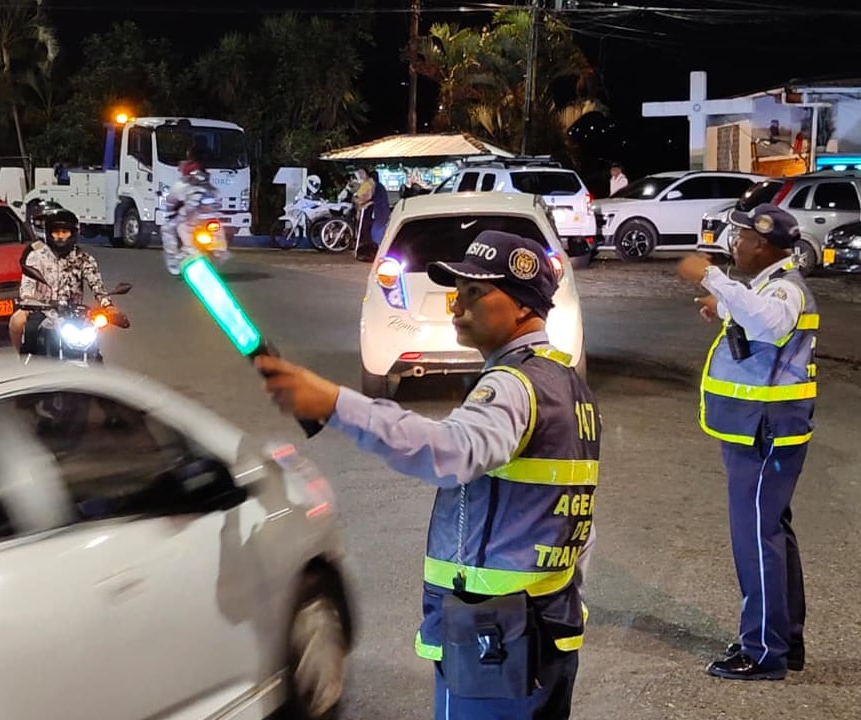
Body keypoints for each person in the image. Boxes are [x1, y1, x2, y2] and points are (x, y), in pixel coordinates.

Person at [258, 231, 600, 719]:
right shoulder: (567, 384)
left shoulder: (512, 386)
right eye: (457, 290)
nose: (456, 304)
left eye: (476, 292)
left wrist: (335, 404)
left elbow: (450, 450)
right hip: (546, 630)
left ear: (523, 307)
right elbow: (576, 516)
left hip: (495, 641)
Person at [676, 204, 817, 681]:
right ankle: (785, 638)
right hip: (760, 429)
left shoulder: (785, 289)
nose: (733, 245)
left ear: (764, 244)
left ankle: (763, 651)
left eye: (741, 239)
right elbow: (756, 319)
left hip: (764, 431)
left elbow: (768, 322)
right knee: (772, 532)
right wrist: (725, 305)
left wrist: (714, 281)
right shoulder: (770, 287)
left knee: (757, 538)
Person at [9, 208, 116, 353]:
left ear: (73, 233)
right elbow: (27, 285)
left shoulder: (84, 259)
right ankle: (23, 361)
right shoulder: (36, 256)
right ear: (49, 233)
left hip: (74, 314)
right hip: (41, 311)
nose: (60, 236)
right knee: (17, 321)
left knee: (93, 346)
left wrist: (108, 305)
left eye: (65, 232)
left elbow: (96, 284)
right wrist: (28, 300)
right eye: (56, 232)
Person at [161, 146, 217, 276]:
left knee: (167, 228)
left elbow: (175, 197)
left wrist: (171, 207)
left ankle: (175, 261)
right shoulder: (206, 175)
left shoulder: (189, 173)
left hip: (192, 213)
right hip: (206, 214)